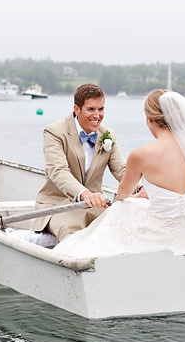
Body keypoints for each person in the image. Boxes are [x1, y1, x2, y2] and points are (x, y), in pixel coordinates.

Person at [53, 89, 185, 258]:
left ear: (149, 119)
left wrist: (138, 195)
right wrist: (154, 193)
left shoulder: (142, 154)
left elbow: (123, 193)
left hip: (160, 232)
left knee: (123, 207)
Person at [13, 83, 132, 246]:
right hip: (58, 206)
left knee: (122, 230)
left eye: (101, 109)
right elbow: (58, 171)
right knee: (74, 235)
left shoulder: (107, 134)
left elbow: (122, 170)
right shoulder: (54, 132)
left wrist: (139, 187)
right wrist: (85, 194)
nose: (97, 115)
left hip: (95, 207)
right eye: (91, 109)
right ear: (77, 109)